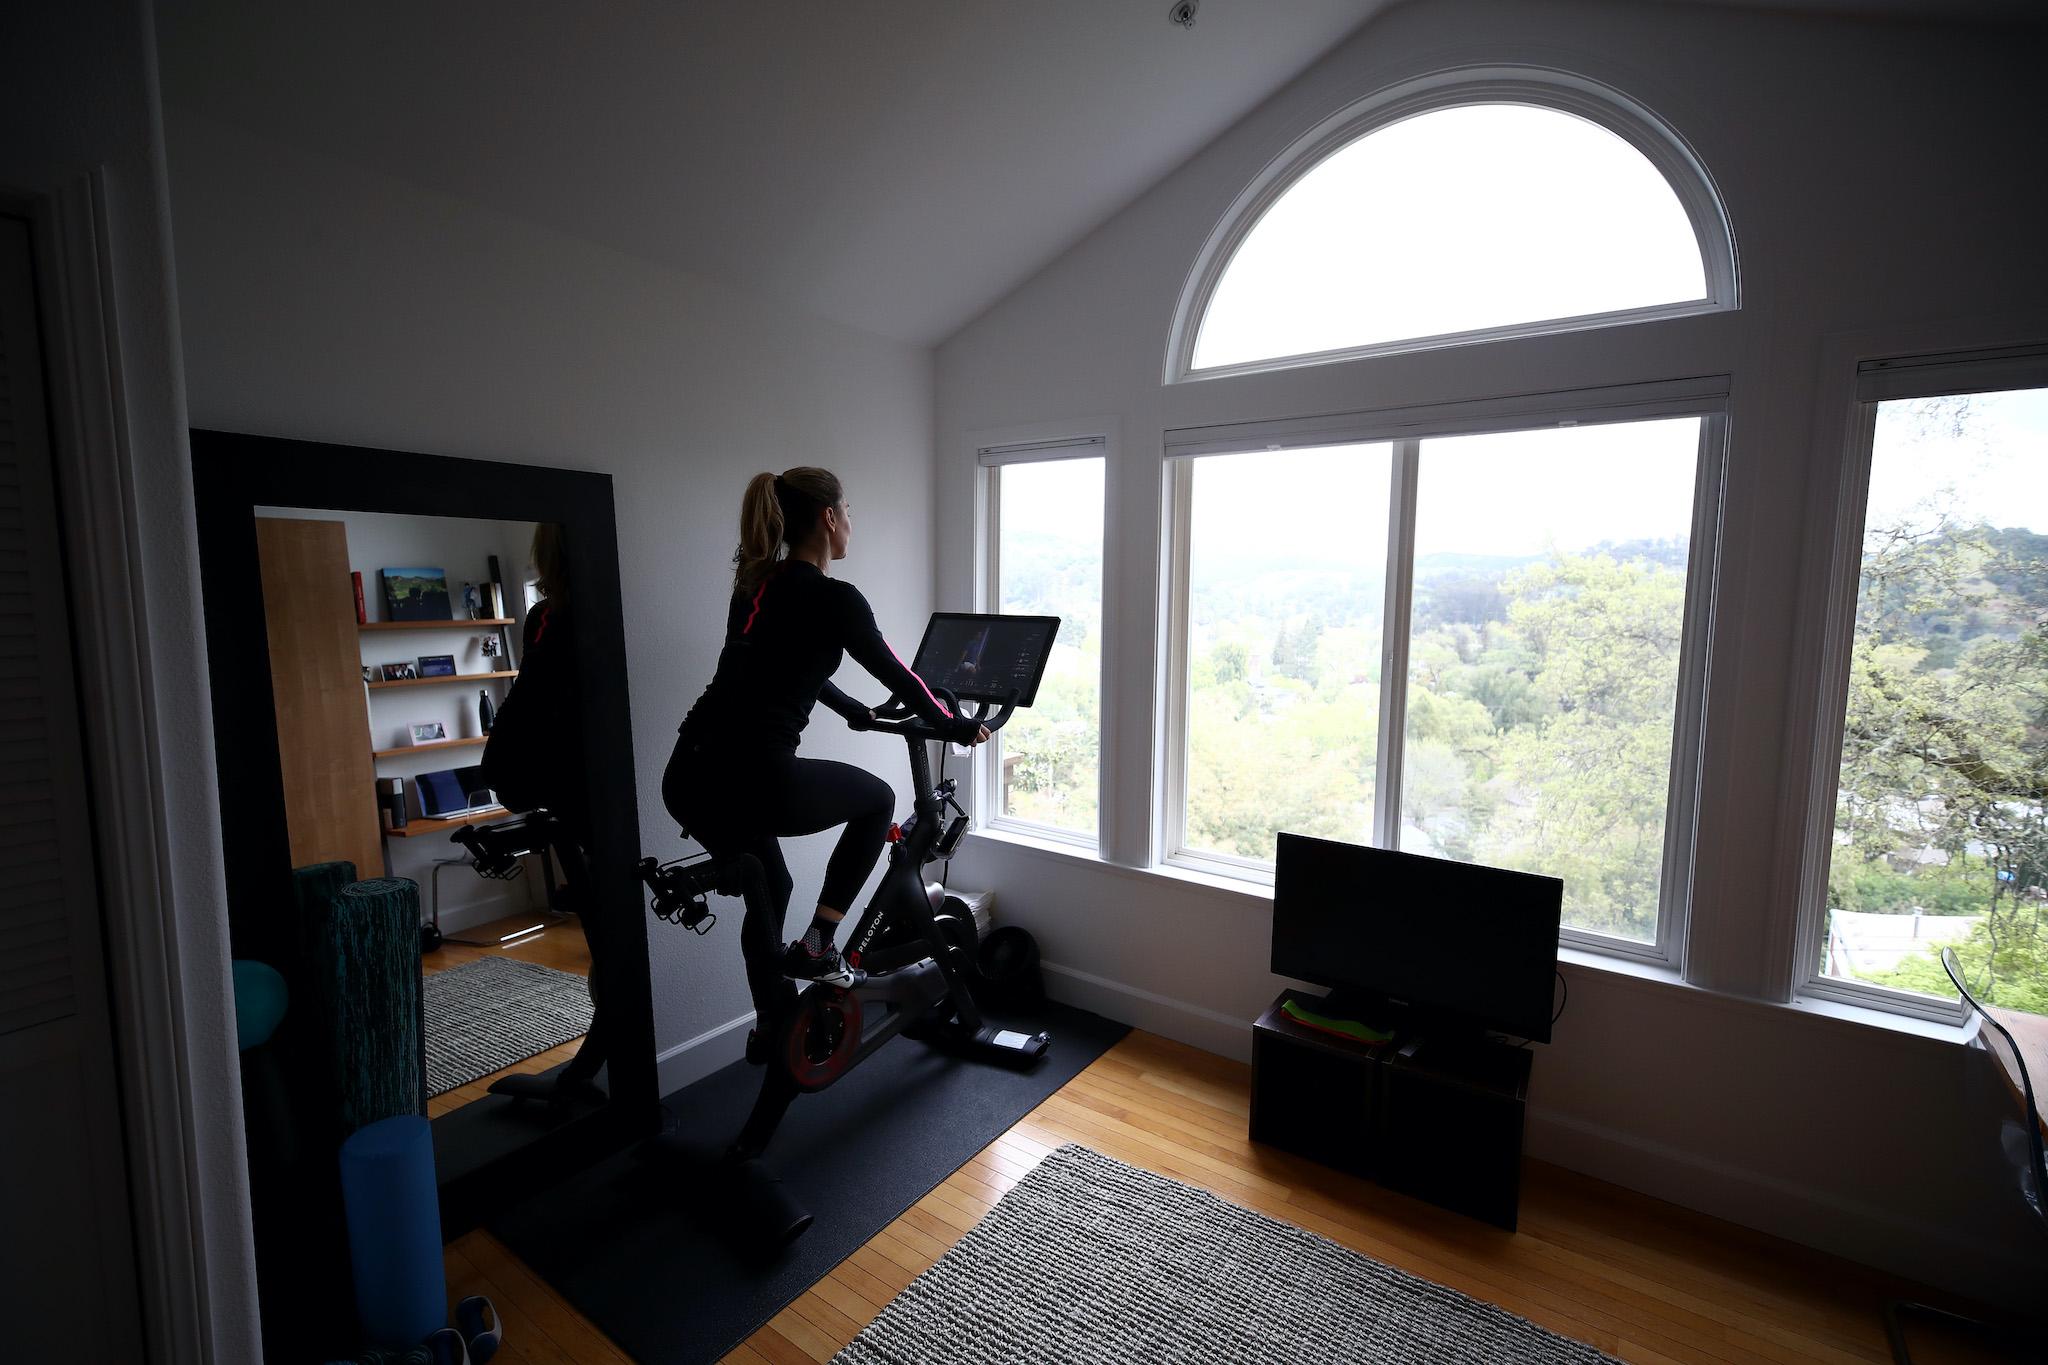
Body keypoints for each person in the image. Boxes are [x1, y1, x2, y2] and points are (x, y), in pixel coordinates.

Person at [663, 467, 989, 983]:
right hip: (754, 778)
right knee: (879, 800)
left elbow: (783, 669)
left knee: (770, 887)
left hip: (688, 775)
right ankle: (817, 946)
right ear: (829, 517)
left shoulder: (753, 587)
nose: (851, 524)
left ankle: (776, 1020)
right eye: (849, 512)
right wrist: (956, 724)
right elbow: (900, 675)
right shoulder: (834, 599)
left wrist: (854, 712)